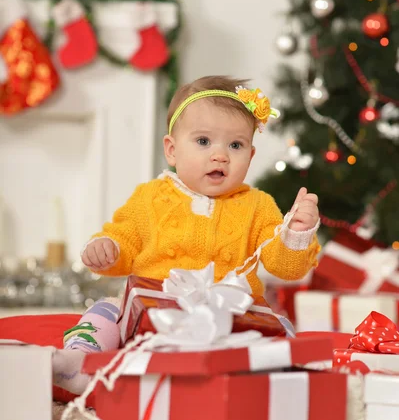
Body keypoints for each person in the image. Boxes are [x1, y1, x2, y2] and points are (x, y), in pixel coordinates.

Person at [53, 75, 320, 395]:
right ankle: (80, 362)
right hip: (153, 311)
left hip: (231, 317)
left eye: (235, 145)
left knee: (281, 326)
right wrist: (107, 247)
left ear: (250, 156)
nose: (220, 155)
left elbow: (284, 266)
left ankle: (280, 377)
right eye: (204, 141)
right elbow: (124, 238)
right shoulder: (150, 198)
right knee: (107, 309)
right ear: (172, 150)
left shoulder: (259, 206)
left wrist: (296, 235)